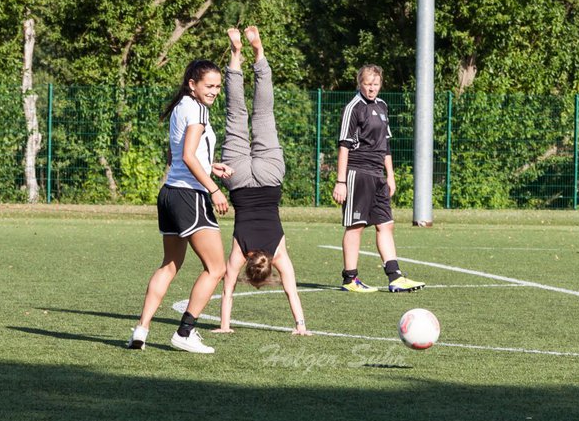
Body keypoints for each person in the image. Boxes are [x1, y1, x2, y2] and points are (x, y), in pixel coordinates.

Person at [208, 27, 310, 336]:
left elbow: (291, 291)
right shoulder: (241, 251)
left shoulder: (278, 252)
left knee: (264, 114)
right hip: (238, 176)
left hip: (269, 177)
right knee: (236, 113)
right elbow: (226, 288)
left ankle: (259, 53)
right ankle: (237, 54)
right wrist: (223, 325)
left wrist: (301, 326)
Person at [127, 58, 232, 354]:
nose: (214, 92)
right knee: (216, 268)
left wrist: (211, 166)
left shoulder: (182, 106)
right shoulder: (197, 110)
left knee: (170, 265)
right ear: (192, 85)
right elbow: (187, 156)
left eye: (217, 86)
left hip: (170, 193)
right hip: (190, 196)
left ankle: (141, 330)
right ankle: (185, 332)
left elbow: (181, 156)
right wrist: (213, 189)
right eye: (209, 86)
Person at [331, 64, 424, 293]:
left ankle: (395, 277)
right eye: (367, 84)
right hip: (357, 172)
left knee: (386, 224)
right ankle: (350, 279)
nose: (371, 89)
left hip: (378, 175)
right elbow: (343, 145)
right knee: (356, 226)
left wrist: (390, 176)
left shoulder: (382, 106)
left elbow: (386, 144)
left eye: (375, 84)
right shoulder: (353, 108)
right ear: (359, 83)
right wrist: (340, 182)